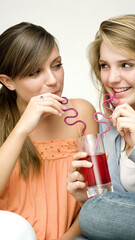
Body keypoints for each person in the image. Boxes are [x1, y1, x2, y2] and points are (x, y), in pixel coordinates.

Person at [0, 22, 98, 240]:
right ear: (8, 81)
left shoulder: (81, 114)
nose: (53, 81)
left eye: (57, 65)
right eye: (35, 72)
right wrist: (22, 128)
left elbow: (95, 198)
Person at [67, 14, 135, 239]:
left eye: (126, 65)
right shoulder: (109, 129)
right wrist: (86, 197)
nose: (111, 78)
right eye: (104, 66)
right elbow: (118, 212)